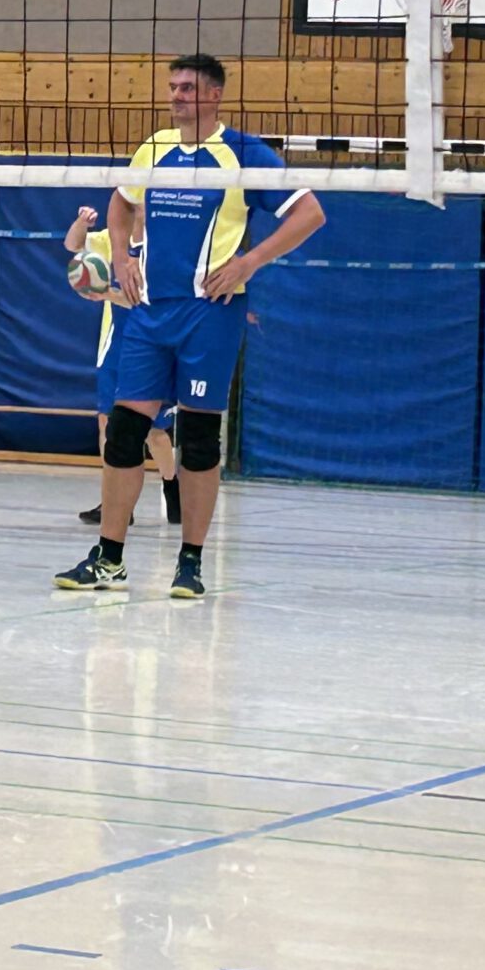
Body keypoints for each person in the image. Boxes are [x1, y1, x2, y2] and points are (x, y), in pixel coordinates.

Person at [55, 54, 323, 601]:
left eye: (188, 88)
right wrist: (123, 255)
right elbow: (120, 203)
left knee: (198, 440)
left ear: (215, 95)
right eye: (173, 87)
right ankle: (109, 558)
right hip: (149, 312)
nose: (177, 96)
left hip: (209, 313)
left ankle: (191, 561)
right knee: (124, 432)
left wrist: (249, 263)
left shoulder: (243, 153)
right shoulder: (154, 147)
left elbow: (309, 214)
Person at [63, 205, 178, 529]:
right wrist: (81, 223)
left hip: (152, 343)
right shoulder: (112, 240)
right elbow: (72, 245)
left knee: (154, 431)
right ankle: (116, 501)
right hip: (115, 346)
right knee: (107, 423)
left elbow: (146, 301)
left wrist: (106, 294)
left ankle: (173, 488)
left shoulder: (164, 246)